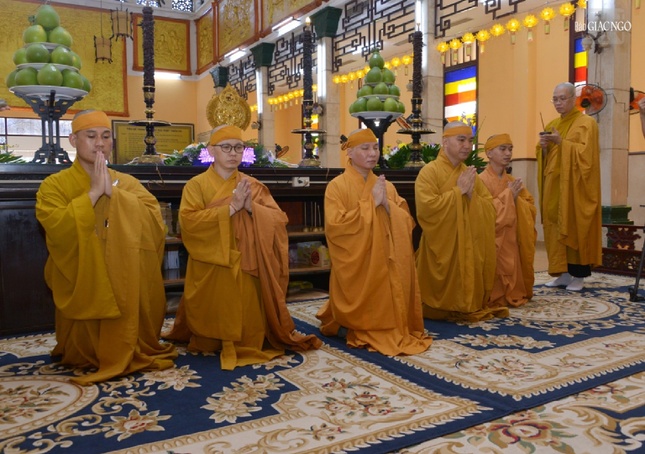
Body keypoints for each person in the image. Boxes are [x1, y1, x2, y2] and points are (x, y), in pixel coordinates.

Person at [35, 110, 177, 385]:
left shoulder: (127, 182)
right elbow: (55, 225)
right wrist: (93, 194)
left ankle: (129, 344)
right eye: (91, 136)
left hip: (125, 274)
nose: (99, 143)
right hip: (85, 273)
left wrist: (114, 193)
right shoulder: (55, 185)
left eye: (105, 136)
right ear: (73, 140)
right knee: (81, 355)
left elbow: (154, 223)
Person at [164, 125, 321, 369]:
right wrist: (230, 208)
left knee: (247, 311)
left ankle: (246, 339)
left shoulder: (252, 185)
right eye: (226, 147)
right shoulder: (196, 185)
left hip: (247, 260)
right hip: (212, 260)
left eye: (238, 148)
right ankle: (211, 338)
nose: (233, 153)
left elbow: (278, 220)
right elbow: (189, 222)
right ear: (211, 151)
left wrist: (250, 208)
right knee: (209, 326)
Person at [316, 129, 432, 355]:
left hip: (385, 258)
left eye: (375, 148)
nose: (372, 153)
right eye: (365, 148)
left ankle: (386, 324)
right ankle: (353, 322)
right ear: (349, 153)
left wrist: (387, 205)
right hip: (358, 259)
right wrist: (371, 205)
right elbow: (336, 227)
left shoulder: (387, 186)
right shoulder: (337, 186)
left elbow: (406, 221)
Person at [415, 121, 508, 322]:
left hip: (468, 242)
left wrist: (470, 195)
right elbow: (427, 208)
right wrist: (458, 192)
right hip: (441, 244)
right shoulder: (429, 172)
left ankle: (465, 303)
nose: (467, 145)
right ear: (445, 142)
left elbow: (489, 207)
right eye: (461, 140)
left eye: (470, 140)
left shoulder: (469, 174)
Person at [537, 82, 601, 292]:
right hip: (554, 185)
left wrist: (561, 143)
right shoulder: (553, 123)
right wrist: (544, 148)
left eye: (562, 98)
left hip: (575, 188)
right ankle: (562, 273)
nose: (558, 103)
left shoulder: (586, 123)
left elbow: (586, 156)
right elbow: (547, 157)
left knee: (574, 225)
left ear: (574, 99)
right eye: (555, 99)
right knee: (554, 224)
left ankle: (579, 276)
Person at [480, 134, 537, 308]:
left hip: (512, 237)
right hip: (492, 238)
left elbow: (530, 207)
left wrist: (516, 199)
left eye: (510, 149)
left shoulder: (512, 181)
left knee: (513, 265)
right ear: (489, 153)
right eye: (503, 149)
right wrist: (508, 196)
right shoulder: (480, 181)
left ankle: (513, 291)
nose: (508, 153)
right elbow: (482, 212)